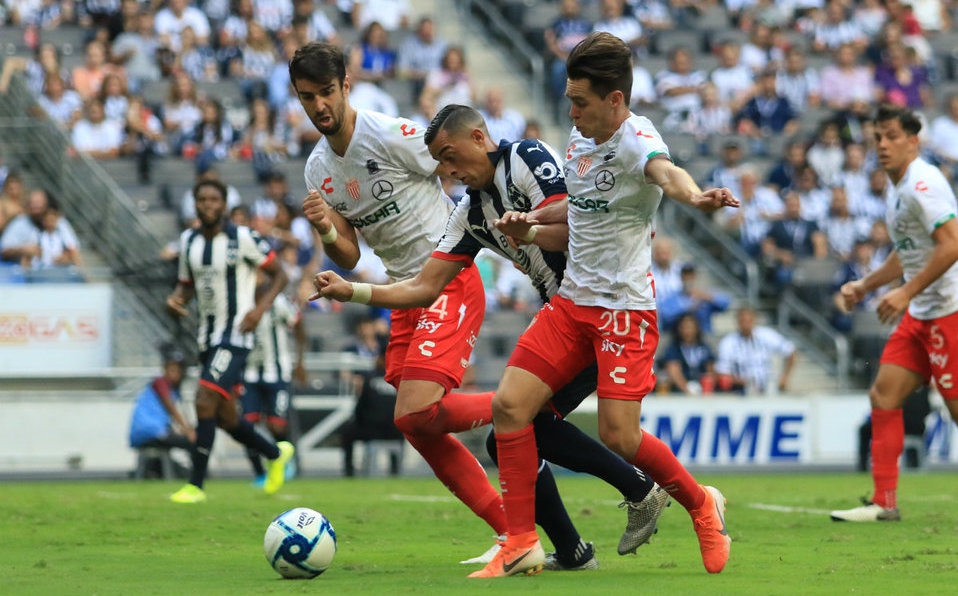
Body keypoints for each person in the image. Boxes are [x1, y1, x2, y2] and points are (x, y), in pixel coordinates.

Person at [311, 103, 672, 571]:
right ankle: (577, 545)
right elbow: (423, 286)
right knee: (508, 433)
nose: (447, 172)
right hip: (562, 314)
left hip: (598, 307)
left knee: (522, 424)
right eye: (440, 163)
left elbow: (576, 228)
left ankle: (651, 493)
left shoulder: (526, 157)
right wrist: (352, 290)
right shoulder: (471, 211)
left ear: (480, 138)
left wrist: (532, 228)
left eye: (450, 157)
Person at [469, 32, 737, 577]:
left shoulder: (638, 140)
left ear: (615, 99)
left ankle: (701, 506)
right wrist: (532, 221)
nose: (572, 111)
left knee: (620, 435)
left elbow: (667, 174)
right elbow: (581, 209)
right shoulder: (579, 137)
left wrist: (696, 196)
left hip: (623, 311)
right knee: (509, 409)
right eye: (569, 99)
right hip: (572, 306)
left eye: (581, 101)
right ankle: (522, 541)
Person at [290, 42, 505, 541]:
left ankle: (523, 402)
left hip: (446, 278)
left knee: (415, 410)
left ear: (346, 85)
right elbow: (347, 254)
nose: (319, 105)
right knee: (414, 424)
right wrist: (325, 229)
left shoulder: (392, 135)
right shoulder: (318, 170)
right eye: (307, 97)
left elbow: (465, 167)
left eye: (326, 92)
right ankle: (511, 532)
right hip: (403, 293)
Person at [830, 104, 958, 522]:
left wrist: (904, 292)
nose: (882, 144)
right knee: (884, 394)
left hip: (949, 312)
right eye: (877, 137)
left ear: (913, 141)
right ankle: (884, 502)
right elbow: (909, 253)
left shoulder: (924, 184)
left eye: (890, 136)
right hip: (922, 313)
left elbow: (952, 244)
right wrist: (866, 285)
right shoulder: (896, 185)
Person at [165, 178, 294, 503]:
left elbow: (281, 275)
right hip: (207, 338)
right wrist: (176, 300)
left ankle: (195, 485)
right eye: (202, 199)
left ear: (224, 205)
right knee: (225, 418)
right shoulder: (189, 241)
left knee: (203, 398)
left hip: (236, 335)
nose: (208, 205)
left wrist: (257, 311)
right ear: (195, 204)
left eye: (214, 199)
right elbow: (186, 285)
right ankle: (275, 454)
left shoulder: (244, 237)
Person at [242, 281, 299, 487]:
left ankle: (283, 461)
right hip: (249, 375)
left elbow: (298, 325)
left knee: (276, 425)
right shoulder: (241, 302)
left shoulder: (279, 303)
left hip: (277, 373)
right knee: (246, 425)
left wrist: (300, 362)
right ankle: (259, 473)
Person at [128, 344, 195, 471]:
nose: (176, 374)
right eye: (172, 370)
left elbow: (179, 413)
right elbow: (172, 409)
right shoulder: (160, 383)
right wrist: (187, 430)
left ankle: (186, 473)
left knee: (189, 438)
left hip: (154, 431)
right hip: (150, 431)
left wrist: (187, 428)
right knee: (192, 442)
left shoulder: (173, 390)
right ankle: (199, 475)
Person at [714, 305, 797, 394]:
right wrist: (745, 382)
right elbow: (722, 373)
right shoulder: (728, 343)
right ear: (737, 322)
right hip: (740, 392)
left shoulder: (767, 336)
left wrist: (785, 378)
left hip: (767, 390)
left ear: (755, 320)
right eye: (743, 320)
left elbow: (790, 351)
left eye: (749, 320)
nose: (746, 324)